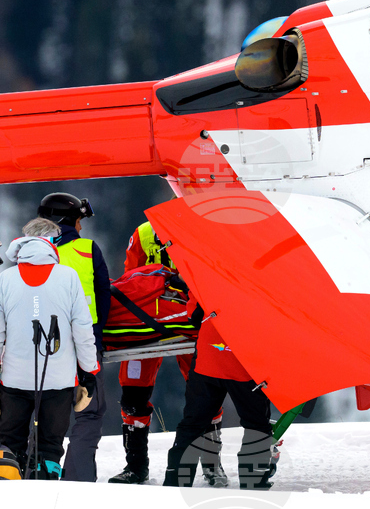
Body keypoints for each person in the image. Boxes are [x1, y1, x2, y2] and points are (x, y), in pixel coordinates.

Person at [0, 218, 100, 479]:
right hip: (59, 381)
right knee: (50, 448)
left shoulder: (5, 279)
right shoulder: (68, 277)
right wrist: (88, 374)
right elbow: (83, 331)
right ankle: (47, 482)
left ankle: (11, 482)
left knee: (10, 446)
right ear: (53, 241)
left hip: (15, 380)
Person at [109, 220, 226, 486]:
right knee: (133, 393)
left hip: (191, 321)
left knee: (207, 391)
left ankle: (212, 466)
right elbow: (130, 281)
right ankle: (135, 467)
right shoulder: (144, 233)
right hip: (146, 322)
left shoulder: (208, 232)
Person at [36, 192, 111, 482]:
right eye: (79, 221)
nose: (80, 227)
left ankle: (39, 473)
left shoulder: (28, 253)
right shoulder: (87, 249)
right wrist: (98, 336)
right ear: (67, 220)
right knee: (89, 412)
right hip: (84, 344)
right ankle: (78, 479)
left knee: (44, 412)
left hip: (42, 347)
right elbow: (103, 296)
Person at [164, 295, 274, 490]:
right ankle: (254, 486)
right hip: (245, 364)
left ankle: (175, 484)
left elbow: (194, 316)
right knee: (256, 426)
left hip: (208, 358)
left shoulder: (209, 278)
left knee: (192, 425)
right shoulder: (264, 282)